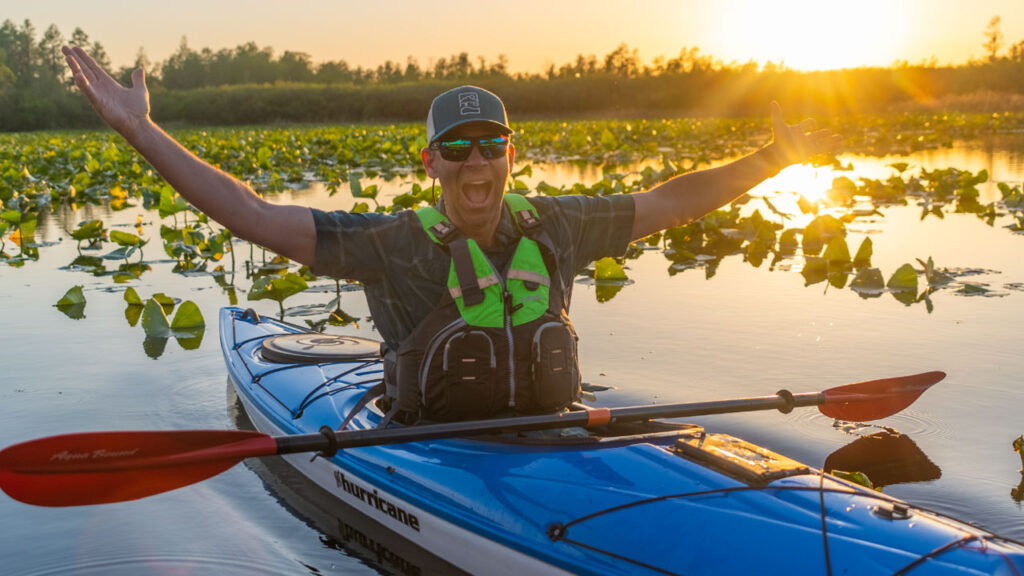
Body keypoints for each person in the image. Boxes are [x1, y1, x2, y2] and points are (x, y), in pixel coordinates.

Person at [61, 46, 841, 423]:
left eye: (492, 145)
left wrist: (775, 157)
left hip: (554, 436)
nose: (477, 165)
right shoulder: (393, 242)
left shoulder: (558, 224)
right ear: (431, 161)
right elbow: (255, 216)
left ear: (512, 155)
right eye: (458, 148)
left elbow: (670, 202)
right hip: (422, 455)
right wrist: (142, 132)